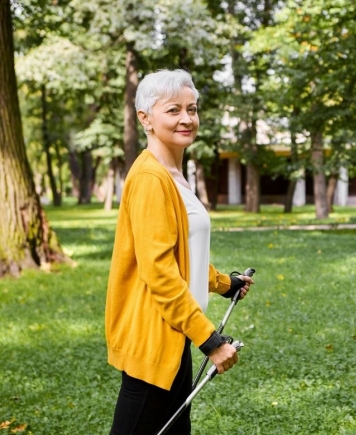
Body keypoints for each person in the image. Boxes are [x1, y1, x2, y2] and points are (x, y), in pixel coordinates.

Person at [105, 69, 254, 435]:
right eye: (173, 110)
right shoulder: (150, 178)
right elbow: (160, 273)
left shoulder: (173, 174)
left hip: (175, 336)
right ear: (146, 118)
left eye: (192, 108)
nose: (187, 118)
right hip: (153, 339)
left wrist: (225, 283)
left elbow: (183, 254)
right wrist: (210, 340)